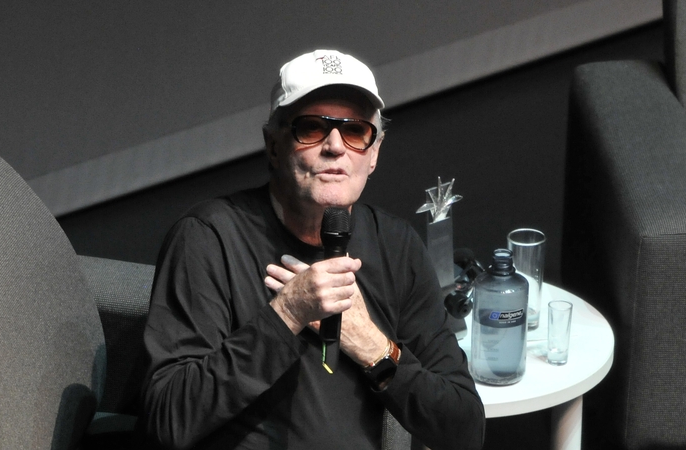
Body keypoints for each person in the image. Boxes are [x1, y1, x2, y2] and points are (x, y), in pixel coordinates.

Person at [140, 49, 485, 450]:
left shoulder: (397, 247)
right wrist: (286, 314)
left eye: (355, 132)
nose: (336, 146)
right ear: (273, 145)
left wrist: (373, 346)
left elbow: (464, 429)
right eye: (312, 128)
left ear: (373, 155)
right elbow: (167, 421)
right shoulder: (208, 238)